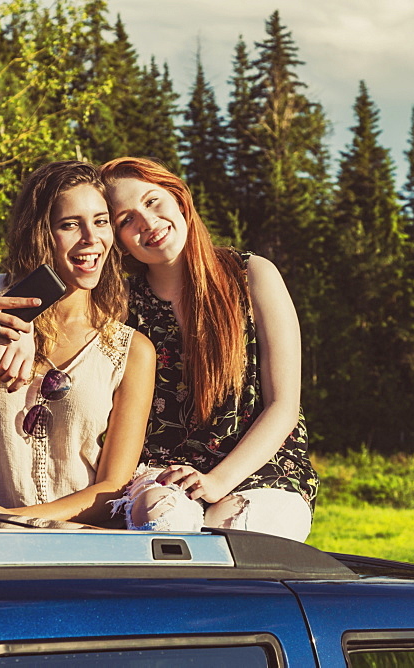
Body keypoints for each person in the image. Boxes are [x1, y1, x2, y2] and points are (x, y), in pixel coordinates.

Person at [99, 157, 319, 542]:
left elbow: (283, 405)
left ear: (179, 198)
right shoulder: (120, 304)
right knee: (162, 525)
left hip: (263, 467)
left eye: (152, 202)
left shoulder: (252, 275)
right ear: (117, 241)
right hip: (162, 472)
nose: (147, 224)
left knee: (237, 534)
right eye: (125, 220)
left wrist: (218, 482)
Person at [0, 160, 155, 526]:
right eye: (70, 225)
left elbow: (113, 486)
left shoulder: (131, 352)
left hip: (71, 556)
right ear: (40, 234)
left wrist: (19, 517)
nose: (90, 238)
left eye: (101, 222)